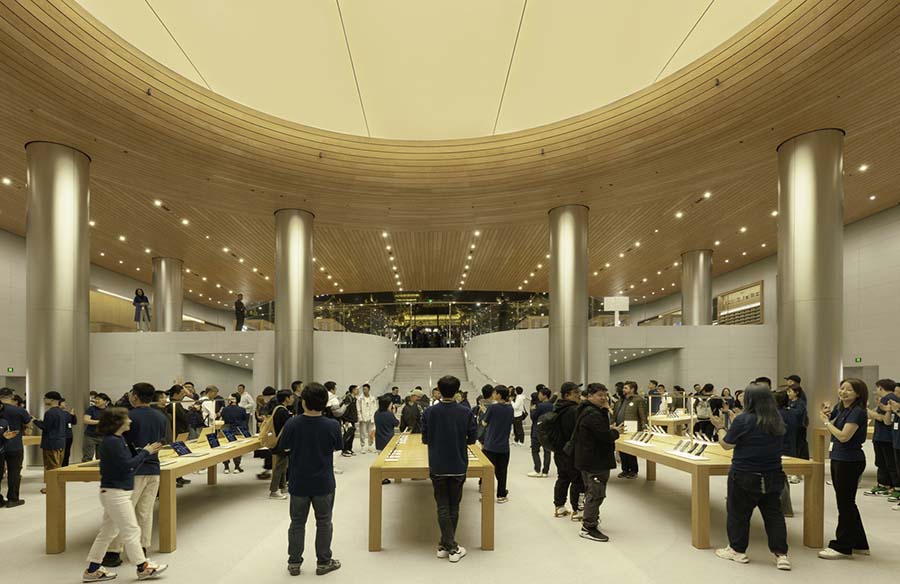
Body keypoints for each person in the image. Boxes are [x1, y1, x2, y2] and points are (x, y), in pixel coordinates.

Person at [709, 384, 790, 570]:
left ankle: (737, 550)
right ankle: (781, 555)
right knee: (774, 515)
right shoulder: (777, 418)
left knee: (738, 513)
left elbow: (726, 445)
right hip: (773, 474)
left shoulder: (744, 419)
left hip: (744, 474)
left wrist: (720, 427)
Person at [82, 407, 167, 582]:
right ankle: (142, 567)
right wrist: (146, 452)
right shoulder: (113, 442)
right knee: (131, 530)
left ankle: (92, 569)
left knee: (107, 532)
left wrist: (141, 452)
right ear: (118, 422)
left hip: (114, 492)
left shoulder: (116, 440)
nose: (130, 421)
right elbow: (127, 466)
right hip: (116, 493)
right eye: (126, 419)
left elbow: (126, 464)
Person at [277, 382, 342, 576]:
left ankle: (294, 562)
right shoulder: (332, 425)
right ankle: (323, 561)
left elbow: (284, 447)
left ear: (303, 402)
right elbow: (337, 447)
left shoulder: (292, 423)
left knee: (297, 522)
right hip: (324, 481)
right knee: (324, 522)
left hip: (298, 481)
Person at [102, 383, 167, 568]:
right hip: (154, 468)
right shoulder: (161, 416)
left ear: (136, 396)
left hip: (133, 470)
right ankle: (142, 548)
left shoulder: (128, 417)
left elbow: (119, 443)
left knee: (121, 512)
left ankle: (114, 551)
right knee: (144, 512)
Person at [421, 375, 478, 564]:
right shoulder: (465, 412)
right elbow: (472, 439)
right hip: (458, 463)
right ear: (458, 390)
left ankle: (445, 544)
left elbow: (425, 439)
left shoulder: (429, 412)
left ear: (438, 389)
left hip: (437, 464)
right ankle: (452, 547)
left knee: (442, 505)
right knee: (454, 505)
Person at [818, 377, 869, 559]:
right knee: (847, 503)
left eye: (848, 389)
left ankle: (843, 546)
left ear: (858, 394)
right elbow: (833, 427)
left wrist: (826, 422)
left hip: (850, 460)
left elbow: (844, 436)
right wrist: (827, 416)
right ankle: (859, 543)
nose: (843, 392)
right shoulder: (842, 409)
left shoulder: (858, 412)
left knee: (845, 504)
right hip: (839, 458)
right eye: (841, 388)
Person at [573, 383, 623, 542]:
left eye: (605, 395)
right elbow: (605, 436)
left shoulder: (589, 410)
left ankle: (591, 519)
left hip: (589, 459)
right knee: (596, 494)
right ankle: (588, 527)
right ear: (589, 396)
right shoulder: (592, 414)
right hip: (594, 461)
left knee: (592, 492)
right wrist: (616, 432)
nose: (603, 398)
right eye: (599, 395)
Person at [552, 382, 584, 518]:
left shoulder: (557, 407)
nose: (579, 395)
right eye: (575, 393)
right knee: (578, 480)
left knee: (563, 477)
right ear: (567, 395)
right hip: (571, 451)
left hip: (559, 450)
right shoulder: (574, 410)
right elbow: (578, 432)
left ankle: (559, 507)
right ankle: (578, 510)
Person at [865, 379, 900, 498]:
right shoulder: (889, 399)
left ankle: (889, 485)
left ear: (881, 388)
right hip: (885, 437)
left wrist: (867, 410)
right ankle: (885, 485)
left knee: (886, 463)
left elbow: (881, 418)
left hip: (885, 437)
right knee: (885, 462)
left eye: (877, 388)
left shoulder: (887, 398)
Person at [0, 387, 32, 508]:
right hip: (15, 446)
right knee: (14, 472)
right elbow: (28, 422)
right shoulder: (19, 410)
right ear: (12, 396)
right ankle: (12, 499)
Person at [481, 385, 514, 503]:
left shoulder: (492, 408)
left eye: (495, 393)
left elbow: (484, 423)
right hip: (504, 446)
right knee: (502, 471)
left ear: (499, 395)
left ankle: (486, 495)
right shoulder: (510, 408)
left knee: (488, 471)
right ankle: (501, 495)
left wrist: (485, 413)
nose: (493, 395)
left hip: (490, 444)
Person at [34, 391, 67, 494]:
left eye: (45, 398)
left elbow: (45, 427)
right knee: (58, 465)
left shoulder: (50, 412)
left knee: (52, 467)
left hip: (50, 443)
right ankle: (58, 485)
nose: (44, 400)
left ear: (52, 400)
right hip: (60, 441)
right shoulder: (62, 412)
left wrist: (35, 421)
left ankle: (52, 488)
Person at [612, 381, 647, 479]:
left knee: (630, 451)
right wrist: (613, 423)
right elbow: (615, 414)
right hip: (620, 429)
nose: (623, 390)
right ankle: (625, 469)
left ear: (632, 389)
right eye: (623, 388)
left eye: (626, 388)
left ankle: (633, 470)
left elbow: (643, 416)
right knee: (622, 450)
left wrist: (644, 427)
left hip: (632, 429)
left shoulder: (638, 400)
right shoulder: (620, 401)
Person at [774, 391, 800, 517]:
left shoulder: (777, 415)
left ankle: (785, 508)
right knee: (782, 478)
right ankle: (784, 507)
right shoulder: (791, 413)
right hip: (790, 446)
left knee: (781, 479)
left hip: (781, 448)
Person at [269, 390, 295, 499]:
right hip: (282, 443)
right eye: (291, 397)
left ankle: (282, 487)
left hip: (279, 442)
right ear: (286, 398)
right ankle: (274, 491)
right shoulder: (283, 411)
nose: (293, 399)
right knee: (280, 466)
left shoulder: (278, 409)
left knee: (283, 465)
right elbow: (286, 429)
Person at [528, 386, 553, 477]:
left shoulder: (539, 406)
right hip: (548, 430)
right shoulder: (552, 405)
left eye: (540, 394)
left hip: (537, 430)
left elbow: (533, 417)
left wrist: (532, 410)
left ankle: (537, 469)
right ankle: (545, 471)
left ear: (544, 395)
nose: (539, 395)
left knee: (535, 451)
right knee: (547, 451)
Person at [221, 394, 248, 474]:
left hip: (226, 429)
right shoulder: (242, 409)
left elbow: (223, 418)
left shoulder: (225, 409)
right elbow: (244, 420)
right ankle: (237, 466)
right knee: (237, 449)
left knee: (226, 448)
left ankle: (226, 467)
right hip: (238, 430)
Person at [82, 393, 111, 462]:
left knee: (101, 458)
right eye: (96, 399)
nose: (96, 401)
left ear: (105, 401)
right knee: (87, 457)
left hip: (103, 436)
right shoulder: (91, 409)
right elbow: (86, 420)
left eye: (98, 399)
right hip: (90, 436)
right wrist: (99, 422)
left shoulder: (109, 410)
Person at [339, 386, 359, 457]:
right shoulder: (348, 398)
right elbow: (345, 409)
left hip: (352, 419)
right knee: (347, 435)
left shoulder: (354, 399)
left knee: (352, 435)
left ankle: (349, 449)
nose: (358, 391)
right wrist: (345, 420)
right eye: (357, 389)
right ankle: (344, 450)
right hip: (347, 420)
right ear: (353, 390)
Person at [357, 384, 377, 454]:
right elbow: (358, 409)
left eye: (365, 389)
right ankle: (362, 447)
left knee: (371, 433)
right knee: (362, 433)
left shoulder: (373, 398)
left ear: (369, 389)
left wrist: (374, 417)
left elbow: (375, 408)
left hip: (371, 417)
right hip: (363, 418)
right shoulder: (360, 398)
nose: (364, 390)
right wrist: (360, 417)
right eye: (363, 389)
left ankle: (370, 446)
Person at [60, 398, 78, 466]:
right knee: (60, 454)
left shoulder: (66, 413)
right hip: (61, 437)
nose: (65, 404)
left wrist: (73, 415)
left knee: (67, 453)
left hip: (69, 436)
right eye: (64, 403)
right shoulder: (56, 413)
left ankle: (65, 466)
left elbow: (74, 422)